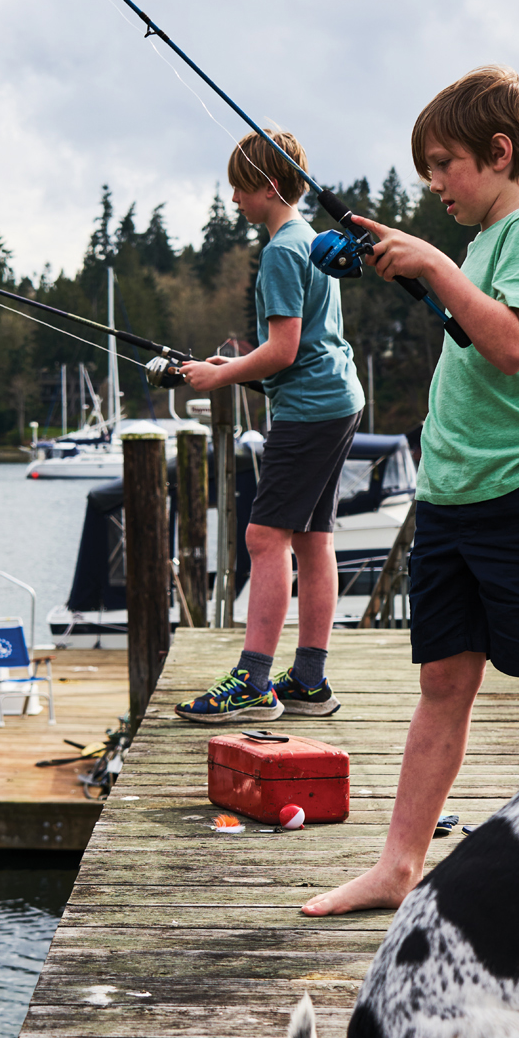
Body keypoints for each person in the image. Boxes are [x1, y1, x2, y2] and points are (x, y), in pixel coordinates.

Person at [303, 64, 519, 915]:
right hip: (455, 498)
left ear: (498, 154)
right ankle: (398, 868)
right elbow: (469, 327)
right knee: (441, 685)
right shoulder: (482, 247)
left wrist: (430, 261)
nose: (434, 184)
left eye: (444, 164)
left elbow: (509, 345)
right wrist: (416, 266)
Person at [174, 128, 365, 724]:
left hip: (309, 409)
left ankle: (256, 681)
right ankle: (308, 680)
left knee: (264, 539)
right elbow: (299, 345)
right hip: (337, 399)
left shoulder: (283, 250)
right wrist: (234, 364)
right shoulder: (310, 241)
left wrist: (220, 379)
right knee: (313, 540)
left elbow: (282, 352)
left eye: (240, 189)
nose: (234, 201)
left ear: (270, 187)